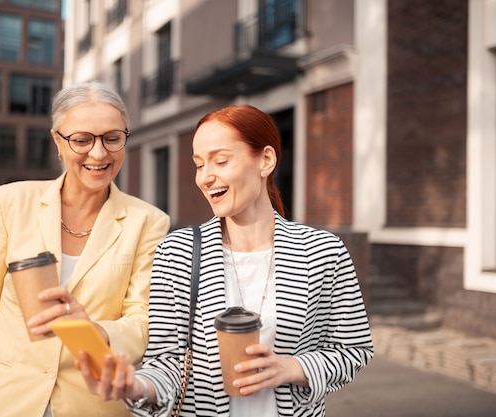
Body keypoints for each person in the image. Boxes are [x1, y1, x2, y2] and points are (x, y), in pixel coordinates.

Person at [78, 104, 374, 416]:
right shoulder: (177, 252)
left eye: (220, 160)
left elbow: (353, 349)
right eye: (198, 164)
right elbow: (167, 362)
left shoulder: (323, 251)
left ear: (266, 160)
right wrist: (136, 387)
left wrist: (291, 367)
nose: (205, 177)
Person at [0, 81, 171, 417]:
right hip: (0, 401)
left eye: (112, 138)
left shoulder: (149, 222)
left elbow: (143, 321)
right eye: (81, 140)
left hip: (91, 406)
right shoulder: (10, 202)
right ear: (58, 143)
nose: (99, 153)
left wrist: (97, 330)